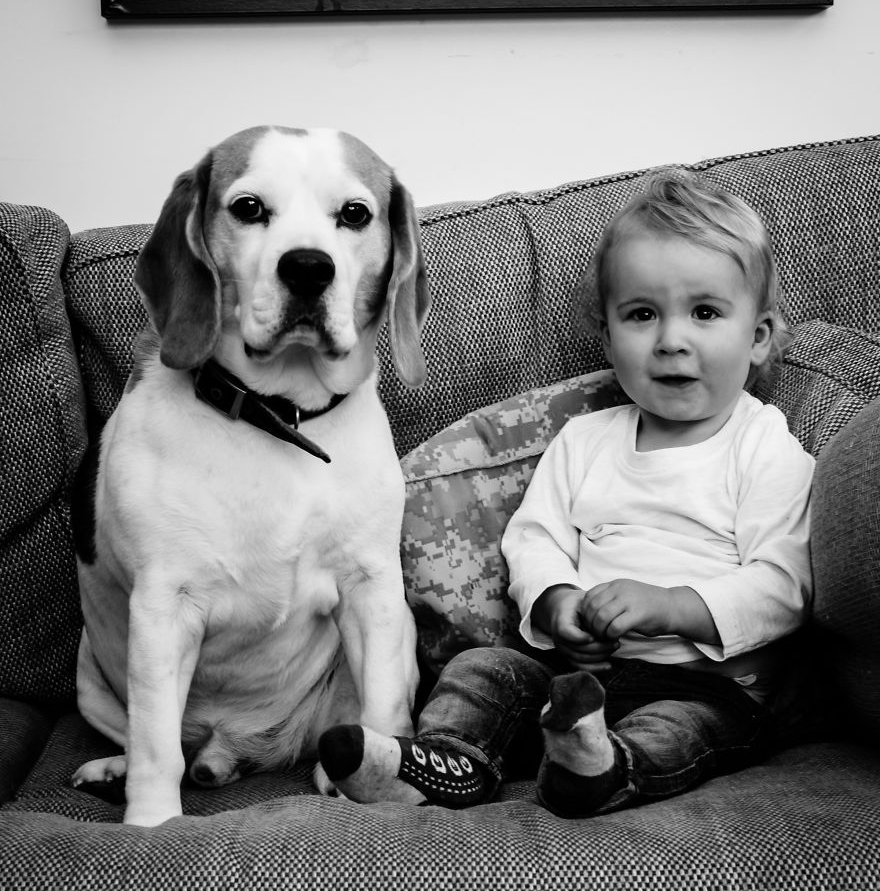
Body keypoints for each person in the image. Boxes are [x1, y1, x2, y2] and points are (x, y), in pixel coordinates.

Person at [318, 171, 815, 816]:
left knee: (683, 730)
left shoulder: (762, 443)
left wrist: (672, 606)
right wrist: (557, 604)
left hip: (711, 684)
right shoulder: (584, 440)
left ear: (759, 337)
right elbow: (535, 538)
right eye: (641, 315)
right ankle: (441, 761)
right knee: (483, 671)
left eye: (705, 312)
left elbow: (784, 584)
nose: (671, 339)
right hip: (578, 681)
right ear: (607, 338)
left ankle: (606, 769)